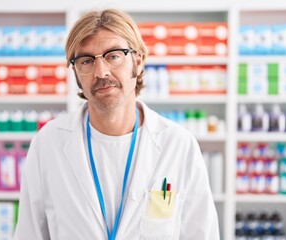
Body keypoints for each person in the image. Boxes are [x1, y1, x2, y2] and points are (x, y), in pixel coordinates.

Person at [13, 8, 219, 240]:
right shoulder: (48, 143)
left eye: (113, 55)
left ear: (138, 61)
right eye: (87, 60)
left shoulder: (178, 145)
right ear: (76, 72)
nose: (101, 72)